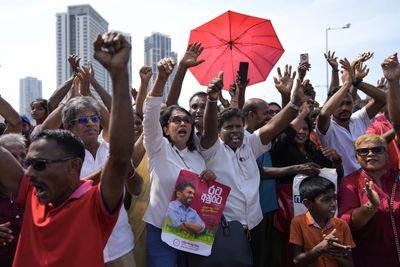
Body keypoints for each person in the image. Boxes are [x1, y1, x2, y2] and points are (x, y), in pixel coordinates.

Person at [0, 31, 135, 267]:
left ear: (74, 166)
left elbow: (121, 157)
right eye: (28, 163)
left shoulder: (94, 202)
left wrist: (119, 75)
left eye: (40, 165)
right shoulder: (33, 193)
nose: (29, 173)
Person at [200, 71, 313, 260]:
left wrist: (294, 103)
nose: (235, 131)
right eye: (228, 127)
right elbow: (209, 129)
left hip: (255, 223)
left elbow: (274, 126)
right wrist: (212, 101)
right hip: (226, 226)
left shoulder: (250, 144)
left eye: (238, 126)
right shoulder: (212, 150)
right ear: (219, 131)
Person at [142, 57, 214, 267]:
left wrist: (209, 178)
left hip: (192, 234)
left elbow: (201, 196)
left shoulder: (198, 157)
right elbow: (150, 114)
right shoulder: (157, 147)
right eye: (176, 120)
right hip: (160, 231)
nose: (183, 123)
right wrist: (161, 79)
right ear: (165, 129)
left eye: (187, 120)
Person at [317, 57, 386, 176]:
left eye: (348, 103)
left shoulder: (358, 118)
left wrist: (356, 82)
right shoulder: (327, 128)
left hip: (368, 180)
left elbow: (383, 99)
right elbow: (324, 113)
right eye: (339, 104)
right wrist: (347, 84)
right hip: (344, 186)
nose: (344, 108)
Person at [338, 134, 400, 266]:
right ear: (357, 157)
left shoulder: (398, 178)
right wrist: (371, 206)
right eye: (363, 151)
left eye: (378, 150)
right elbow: (347, 223)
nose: (370, 154)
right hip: (371, 258)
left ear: (388, 155)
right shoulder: (350, 183)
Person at [290, 176, 355, 267]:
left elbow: (350, 264)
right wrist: (320, 248)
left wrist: (337, 255)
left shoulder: (341, 225)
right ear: (308, 204)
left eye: (334, 198)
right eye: (326, 200)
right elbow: (297, 261)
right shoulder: (298, 222)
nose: (333, 204)